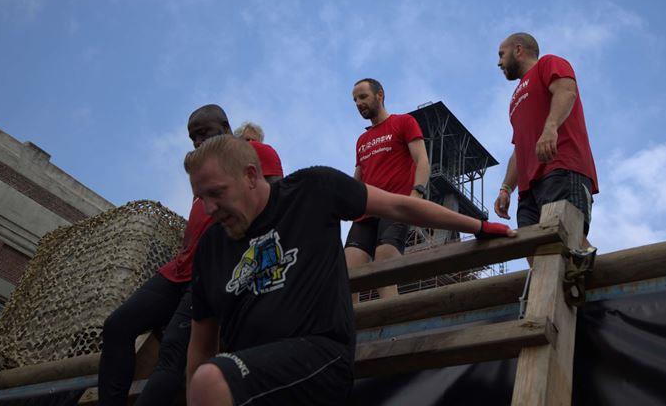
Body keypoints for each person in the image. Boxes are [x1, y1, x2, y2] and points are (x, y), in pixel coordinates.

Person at [184, 135, 513, 406]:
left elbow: (398, 205)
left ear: (250, 175)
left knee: (211, 379)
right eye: (201, 198)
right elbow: (200, 347)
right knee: (209, 378)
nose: (209, 208)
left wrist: (478, 226)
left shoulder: (311, 190)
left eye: (217, 193)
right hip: (249, 378)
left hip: (320, 359)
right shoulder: (211, 247)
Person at [97, 105, 283, 405]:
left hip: (213, 267)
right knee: (117, 325)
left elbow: (276, 202)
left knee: (173, 350)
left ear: (225, 127)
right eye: (192, 137)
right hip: (179, 268)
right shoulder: (201, 167)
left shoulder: (255, 152)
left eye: (203, 133)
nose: (197, 142)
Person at [493, 32, 598, 239]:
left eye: (501, 54)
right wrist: (506, 188)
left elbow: (566, 91)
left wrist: (551, 127)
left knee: (565, 240)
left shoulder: (548, 63)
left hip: (560, 168)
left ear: (518, 50)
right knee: (531, 248)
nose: (499, 62)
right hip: (528, 190)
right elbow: (519, 148)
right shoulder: (513, 100)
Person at [344, 78, 431, 303]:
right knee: (349, 269)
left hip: (394, 205)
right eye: (355, 100)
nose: (358, 103)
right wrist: (345, 203)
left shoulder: (403, 122)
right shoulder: (362, 139)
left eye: (363, 97)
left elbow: (422, 160)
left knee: (384, 259)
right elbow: (358, 177)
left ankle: (392, 317)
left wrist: (417, 194)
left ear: (380, 95)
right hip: (365, 211)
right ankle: (352, 323)